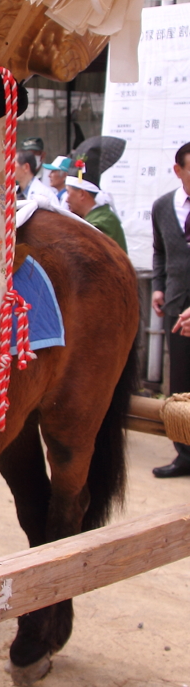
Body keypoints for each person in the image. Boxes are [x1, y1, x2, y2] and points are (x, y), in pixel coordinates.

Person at [151, 142, 190, 477]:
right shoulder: (163, 206)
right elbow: (159, 252)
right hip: (177, 307)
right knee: (180, 382)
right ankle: (184, 452)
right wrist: (159, 287)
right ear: (178, 171)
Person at [65, 176, 127, 252]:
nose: (66, 200)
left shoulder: (102, 222)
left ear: (82, 194)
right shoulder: (97, 217)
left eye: (68, 192)